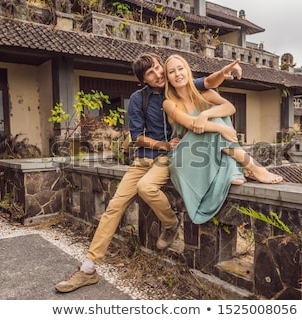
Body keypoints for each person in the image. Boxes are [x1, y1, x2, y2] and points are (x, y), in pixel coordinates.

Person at [55, 53, 243, 293]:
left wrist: (223, 71)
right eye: (150, 73)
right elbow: (137, 137)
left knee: (147, 188)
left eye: (157, 68)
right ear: (143, 79)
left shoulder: (174, 89)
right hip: (144, 159)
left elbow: (207, 82)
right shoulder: (138, 99)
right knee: (114, 207)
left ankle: (170, 222)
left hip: (167, 160)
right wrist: (163, 144)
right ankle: (88, 269)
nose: (158, 74)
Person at [162, 54, 283, 224]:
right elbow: (191, 124)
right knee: (217, 125)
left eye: (180, 69)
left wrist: (206, 113)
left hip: (208, 151)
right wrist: (221, 128)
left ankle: (236, 168)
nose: (177, 74)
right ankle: (251, 167)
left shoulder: (205, 94)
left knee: (217, 117)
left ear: (188, 71)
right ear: (167, 78)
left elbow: (230, 107)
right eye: (171, 72)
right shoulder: (169, 102)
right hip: (187, 157)